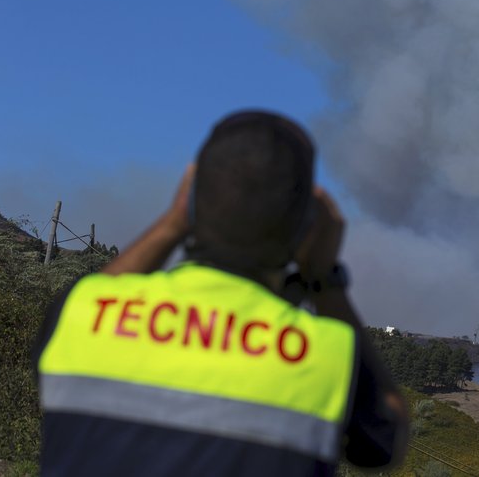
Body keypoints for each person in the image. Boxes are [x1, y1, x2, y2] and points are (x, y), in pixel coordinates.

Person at [33, 110, 408, 476]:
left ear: (191, 197)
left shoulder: (84, 314)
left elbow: (98, 293)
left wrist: (172, 222)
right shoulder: (327, 355)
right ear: (306, 226)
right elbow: (383, 440)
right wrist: (325, 280)